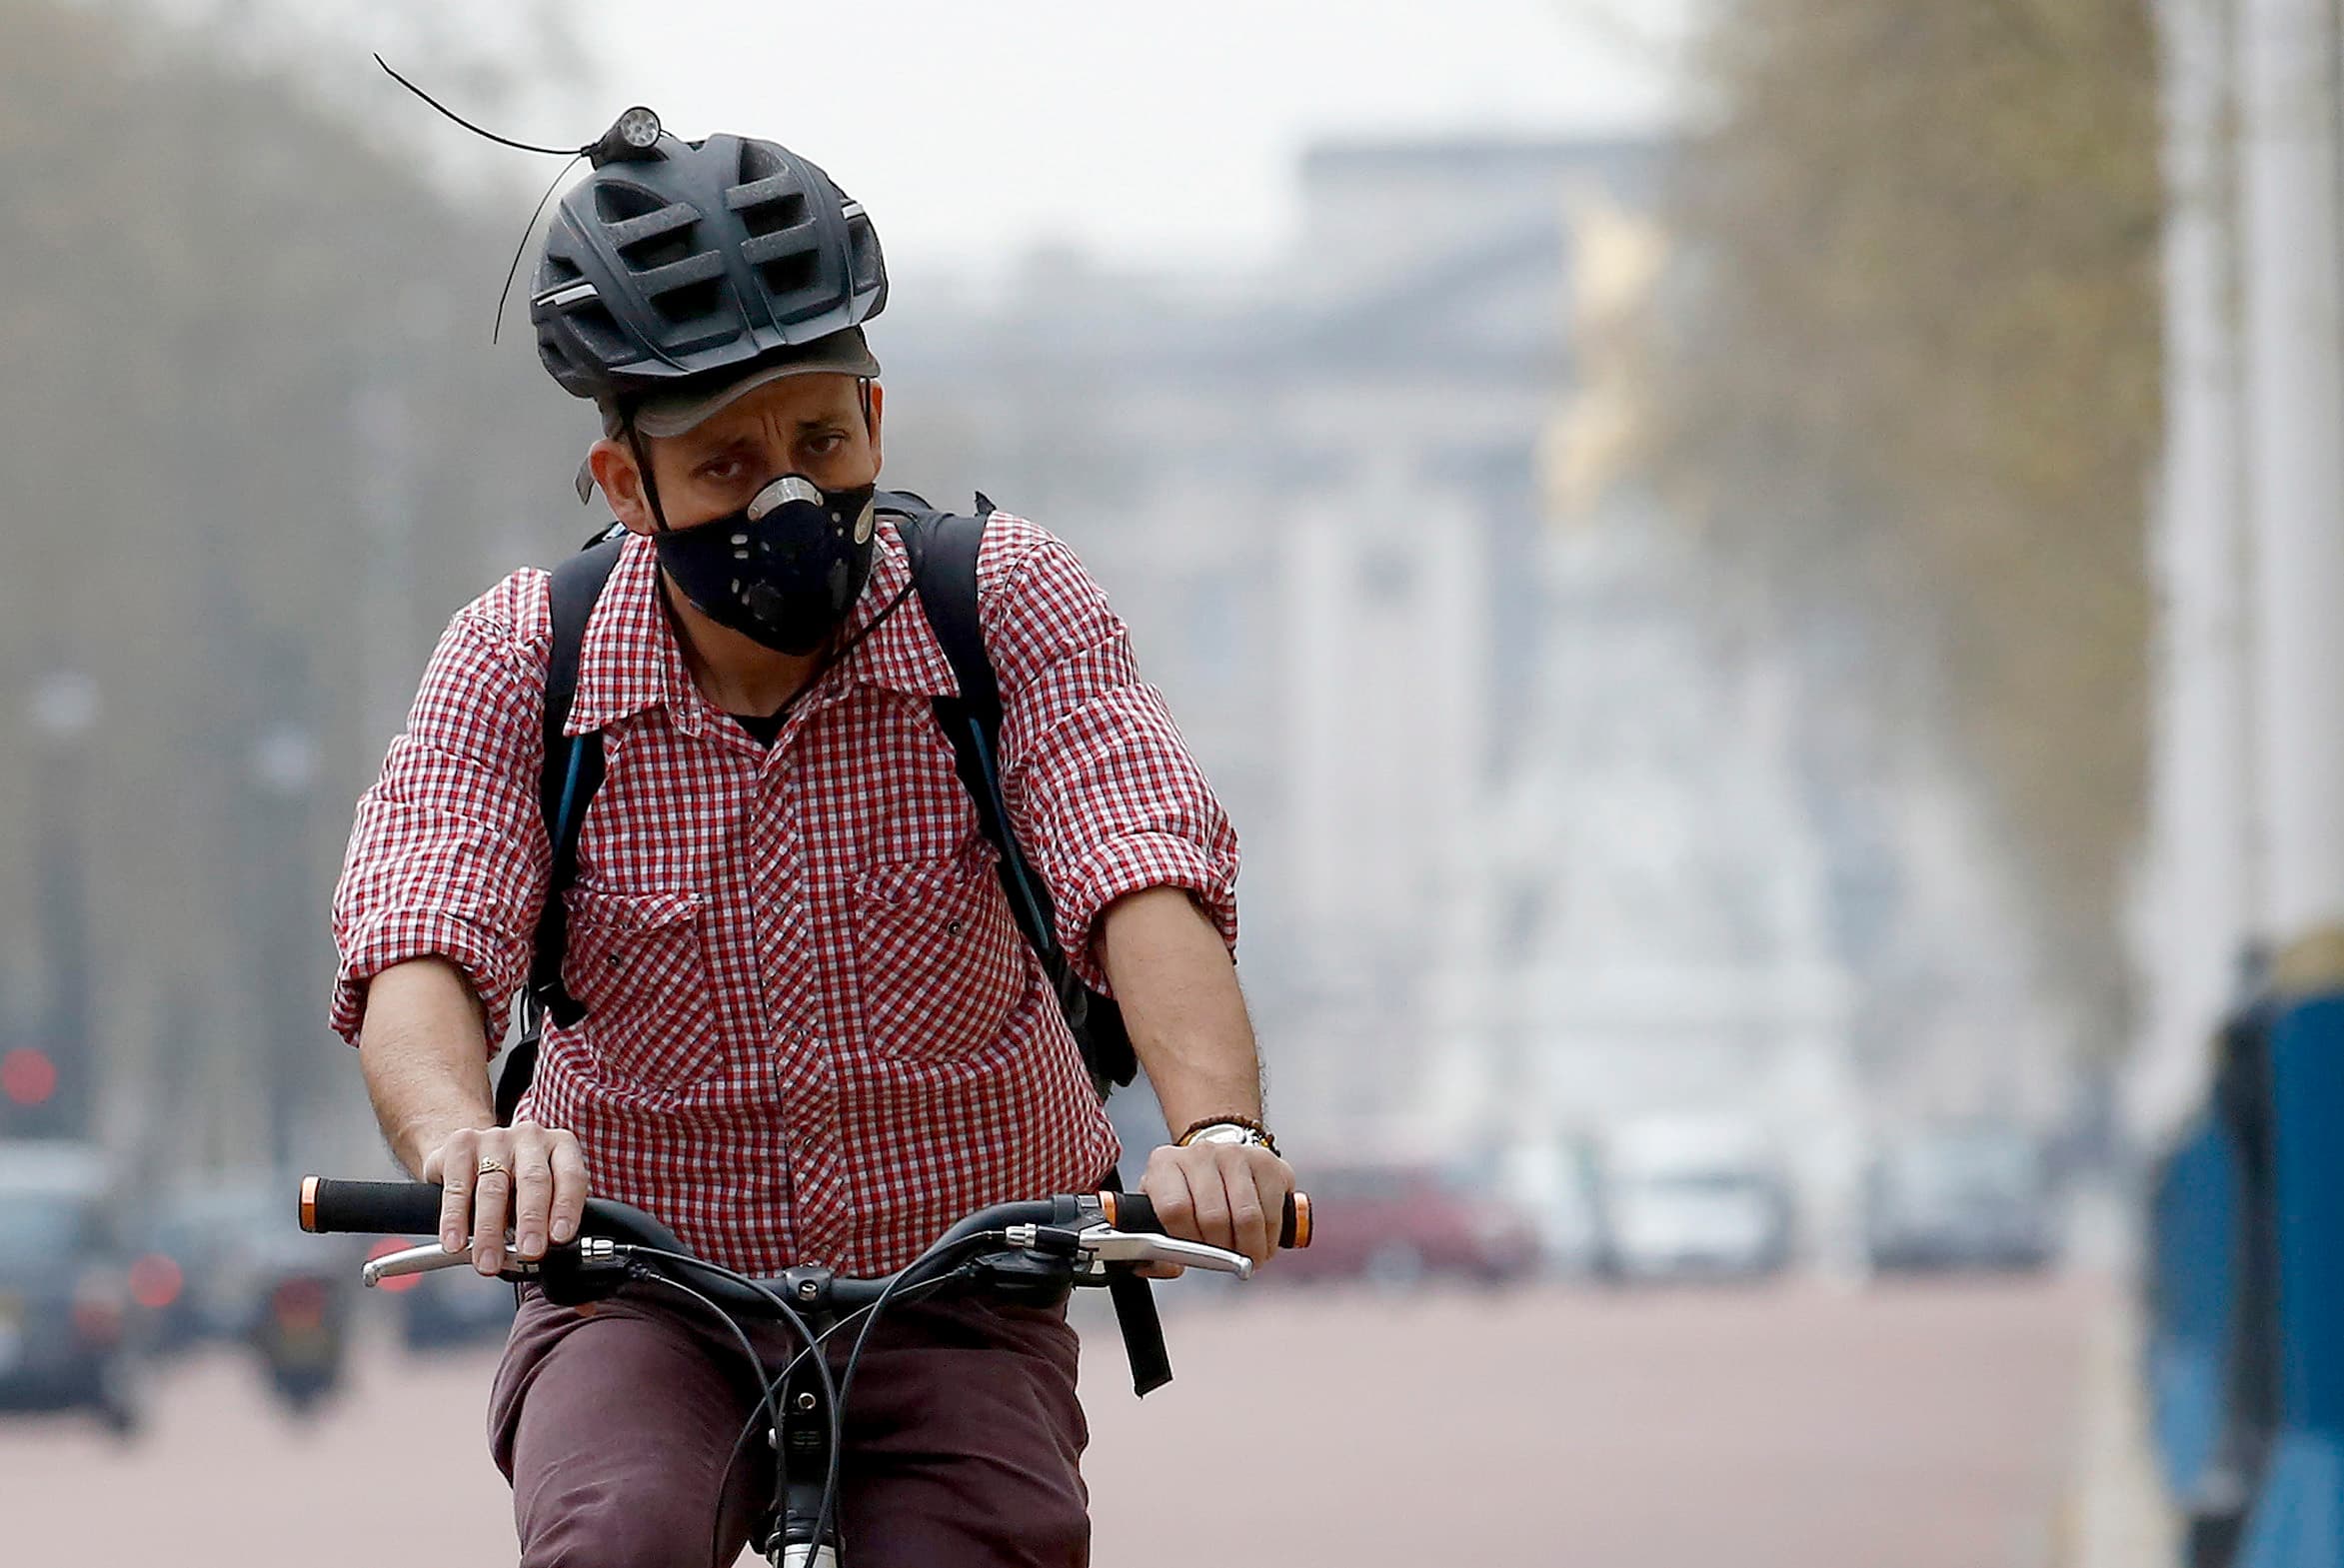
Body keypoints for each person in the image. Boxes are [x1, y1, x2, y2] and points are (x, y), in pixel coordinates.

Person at [328, 123, 1291, 1567]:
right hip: (634, 1285)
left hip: (961, 1285)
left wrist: (1217, 1126)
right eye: (723, 461)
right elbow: (422, 926)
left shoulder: (1000, 606)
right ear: (621, 484)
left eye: (821, 440)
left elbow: (1131, 856)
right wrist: (464, 1142)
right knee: (613, 1536)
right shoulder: (523, 658)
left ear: (877, 421)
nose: (786, 496)